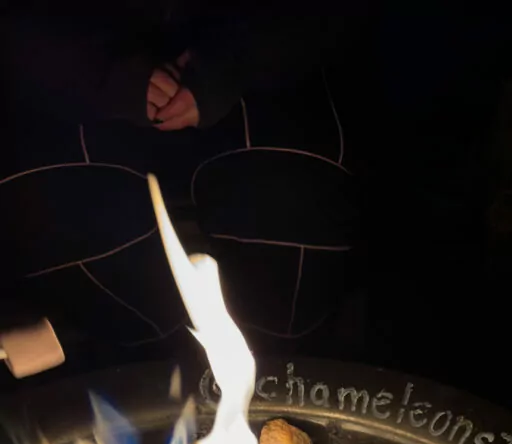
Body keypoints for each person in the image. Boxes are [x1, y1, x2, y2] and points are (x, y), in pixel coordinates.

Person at [0, 3, 361, 355]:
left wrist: (228, 64)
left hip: (249, 58)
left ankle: (282, 384)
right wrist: (104, 75)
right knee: (86, 235)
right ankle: (148, 380)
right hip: (71, 73)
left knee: (287, 223)